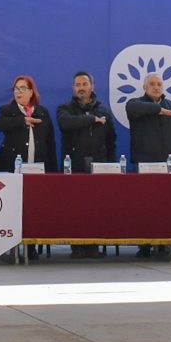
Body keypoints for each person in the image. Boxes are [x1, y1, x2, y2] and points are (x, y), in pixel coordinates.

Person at [126, 73, 171, 259]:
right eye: (152, 84)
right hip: (144, 166)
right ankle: (144, 244)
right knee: (143, 208)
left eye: (159, 84)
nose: (156, 86)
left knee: (166, 207)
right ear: (144, 87)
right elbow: (133, 108)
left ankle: (163, 244)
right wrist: (158, 110)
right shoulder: (135, 104)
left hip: (168, 168)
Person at [57, 71, 116, 259]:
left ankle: (93, 245)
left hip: (99, 166)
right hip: (73, 166)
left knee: (96, 207)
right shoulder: (64, 108)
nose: (81, 87)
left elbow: (111, 139)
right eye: (77, 85)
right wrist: (91, 120)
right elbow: (66, 124)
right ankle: (77, 246)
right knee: (74, 207)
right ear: (73, 88)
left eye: (84, 84)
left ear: (92, 87)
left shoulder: (103, 111)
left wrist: (111, 164)